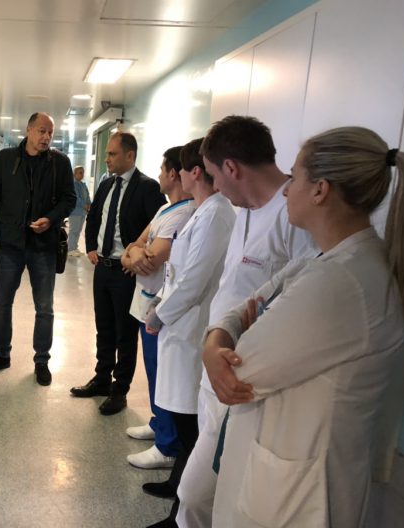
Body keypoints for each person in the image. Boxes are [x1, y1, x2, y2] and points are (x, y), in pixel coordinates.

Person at [203, 127, 404, 528]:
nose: (286, 190)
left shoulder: (341, 283)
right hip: (286, 476)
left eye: (295, 176)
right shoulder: (321, 261)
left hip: (302, 496)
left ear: (320, 190)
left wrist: (224, 345)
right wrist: (216, 341)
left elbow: (239, 369)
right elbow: (237, 312)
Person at [172, 115, 317, 528]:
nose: (215, 187)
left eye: (215, 175)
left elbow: (297, 304)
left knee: (203, 494)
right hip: (217, 368)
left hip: (247, 378)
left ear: (232, 168)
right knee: (202, 494)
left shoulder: (294, 217)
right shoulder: (244, 211)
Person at [141, 139, 236, 527]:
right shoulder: (203, 212)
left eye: (180, 169)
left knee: (190, 423)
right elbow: (178, 273)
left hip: (190, 327)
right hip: (179, 324)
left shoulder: (215, 215)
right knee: (182, 419)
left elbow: (194, 280)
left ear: (195, 172)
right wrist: (160, 305)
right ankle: (177, 488)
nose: (177, 176)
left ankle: (179, 510)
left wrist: (159, 314)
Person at [0, 112, 75, 386]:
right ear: (28, 130)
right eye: (41, 131)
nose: (46, 137)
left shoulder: (60, 163)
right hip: (10, 246)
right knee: (2, 304)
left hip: (44, 247)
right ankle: (1, 354)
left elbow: (69, 199)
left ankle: (42, 360)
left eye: (50, 132)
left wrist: (50, 219)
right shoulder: (6, 159)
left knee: (45, 307)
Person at [70, 132, 165, 415]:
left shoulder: (147, 187)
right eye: (107, 154)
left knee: (125, 333)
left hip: (127, 272)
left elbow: (157, 228)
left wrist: (137, 255)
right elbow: (94, 216)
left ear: (130, 155)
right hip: (103, 268)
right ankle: (101, 379)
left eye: (112, 154)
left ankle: (119, 389)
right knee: (104, 328)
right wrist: (91, 246)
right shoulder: (106, 184)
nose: (107, 159)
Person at [120, 146, 195, 469]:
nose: (160, 175)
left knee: (163, 373)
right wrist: (135, 252)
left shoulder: (184, 213)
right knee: (153, 370)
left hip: (161, 308)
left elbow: (151, 259)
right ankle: (158, 423)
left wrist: (137, 253)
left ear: (174, 174)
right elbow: (134, 248)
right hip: (146, 303)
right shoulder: (165, 209)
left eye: (163, 170)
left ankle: (168, 444)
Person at [67, 165, 91, 256]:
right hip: (75, 212)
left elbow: (87, 196)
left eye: (83, 173)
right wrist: (84, 205)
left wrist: (89, 204)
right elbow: (76, 198)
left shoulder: (83, 184)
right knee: (74, 230)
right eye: (80, 173)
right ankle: (70, 249)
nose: (82, 174)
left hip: (82, 212)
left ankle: (75, 247)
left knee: (78, 230)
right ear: (75, 174)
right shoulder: (73, 184)